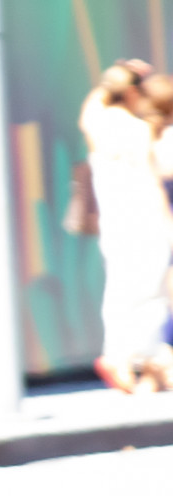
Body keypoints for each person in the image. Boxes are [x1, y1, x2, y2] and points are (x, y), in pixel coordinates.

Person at [81, 62, 173, 391]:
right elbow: (151, 182)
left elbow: (89, 107)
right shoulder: (137, 129)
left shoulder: (97, 123)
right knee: (149, 296)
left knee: (119, 291)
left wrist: (114, 74)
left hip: (114, 222)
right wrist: (167, 224)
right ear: (132, 92)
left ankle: (118, 356)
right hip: (143, 219)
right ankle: (143, 359)